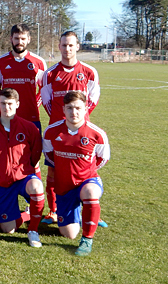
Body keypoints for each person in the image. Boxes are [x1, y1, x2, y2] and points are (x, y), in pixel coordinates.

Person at [40, 31, 100, 225]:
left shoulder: (89, 72)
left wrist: (78, 120)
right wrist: (61, 120)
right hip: (57, 132)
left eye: (71, 45)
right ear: (59, 46)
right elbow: (47, 102)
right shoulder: (49, 74)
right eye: (64, 45)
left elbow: (92, 100)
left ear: (77, 47)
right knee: (53, 171)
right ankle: (53, 210)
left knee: (86, 171)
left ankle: (87, 211)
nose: (67, 49)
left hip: (82, 132)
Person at [0, 23, 47, 215]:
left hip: (31, 119)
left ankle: (33, 202)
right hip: (6, 121)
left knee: (33, 160)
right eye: (16, 38)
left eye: (23, 38)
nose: (19, 42)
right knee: (2, 161)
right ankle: (1, 200)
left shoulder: (38, 63)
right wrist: (6, 109)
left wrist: (33, 104)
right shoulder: (0, 62)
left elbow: (43, 90)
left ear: (29, 39)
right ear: (11, 39)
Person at [42, 91, 110, 256]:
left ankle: (87, 239)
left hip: (88, 181)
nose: (74, 112)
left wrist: (86, 172)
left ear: (86, 108)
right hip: (64, 187)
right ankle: (80, 211)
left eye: (78, 108)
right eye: (70, 108)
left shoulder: (97, 134)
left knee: (90, 192)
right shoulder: (51, 132)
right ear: (63, 110)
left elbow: (103, 158)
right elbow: (49, 157)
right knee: (69, 234)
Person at [0, 88, 45, 247]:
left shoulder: (29, 128)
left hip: (24, 178)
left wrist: (26, 169)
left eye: (10, 104)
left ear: (17, 104)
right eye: (3, 103)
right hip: (3, 183)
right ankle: (25, 216)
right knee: (8, 230)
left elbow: (36, 153)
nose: (6, 107)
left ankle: (33, 231)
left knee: (36, 186)